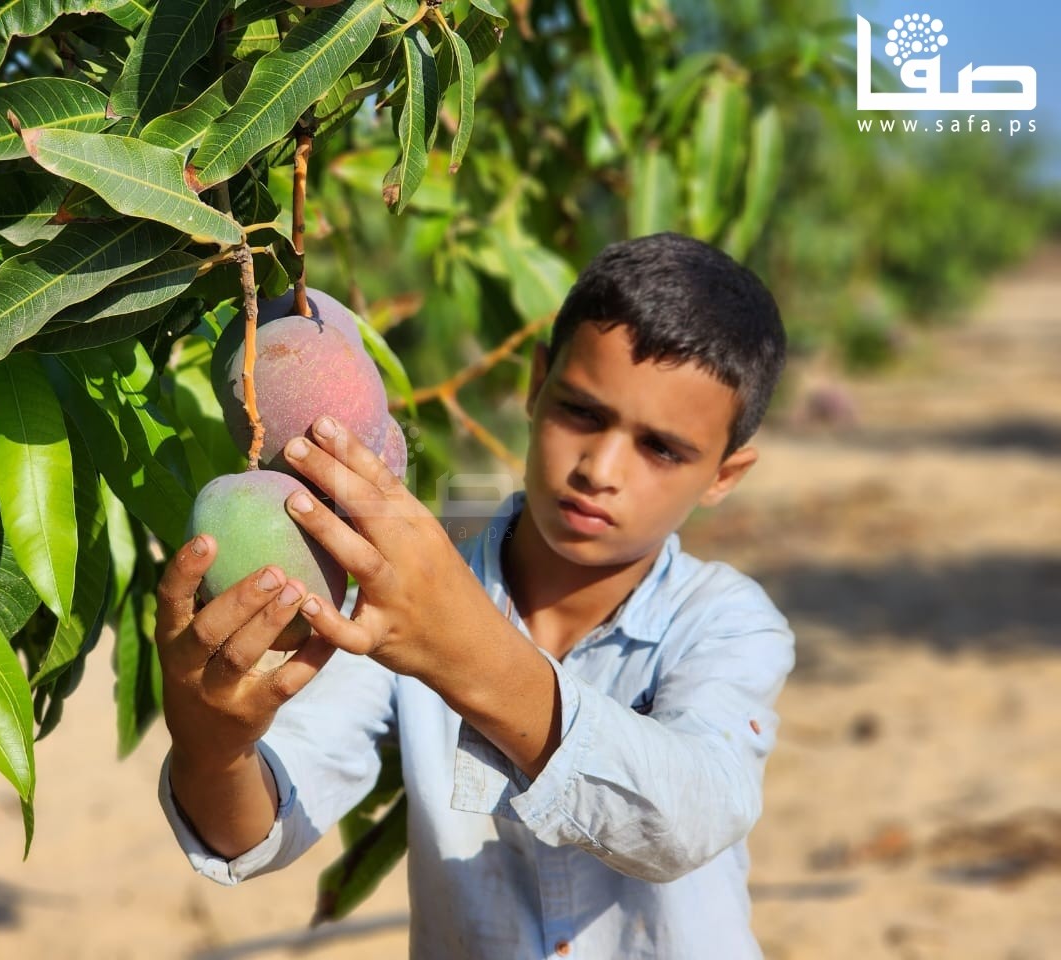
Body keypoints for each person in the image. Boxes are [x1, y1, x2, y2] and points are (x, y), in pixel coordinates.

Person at [154, 232, 795, 959]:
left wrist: (468, 654)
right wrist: (213, 749)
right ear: (537, 383)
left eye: (662, 448)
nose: (601, 469)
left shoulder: (728, 622)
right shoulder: (404, 596)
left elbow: (692, 818)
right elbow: (258, 819)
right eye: (583, 412)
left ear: (724, 474)